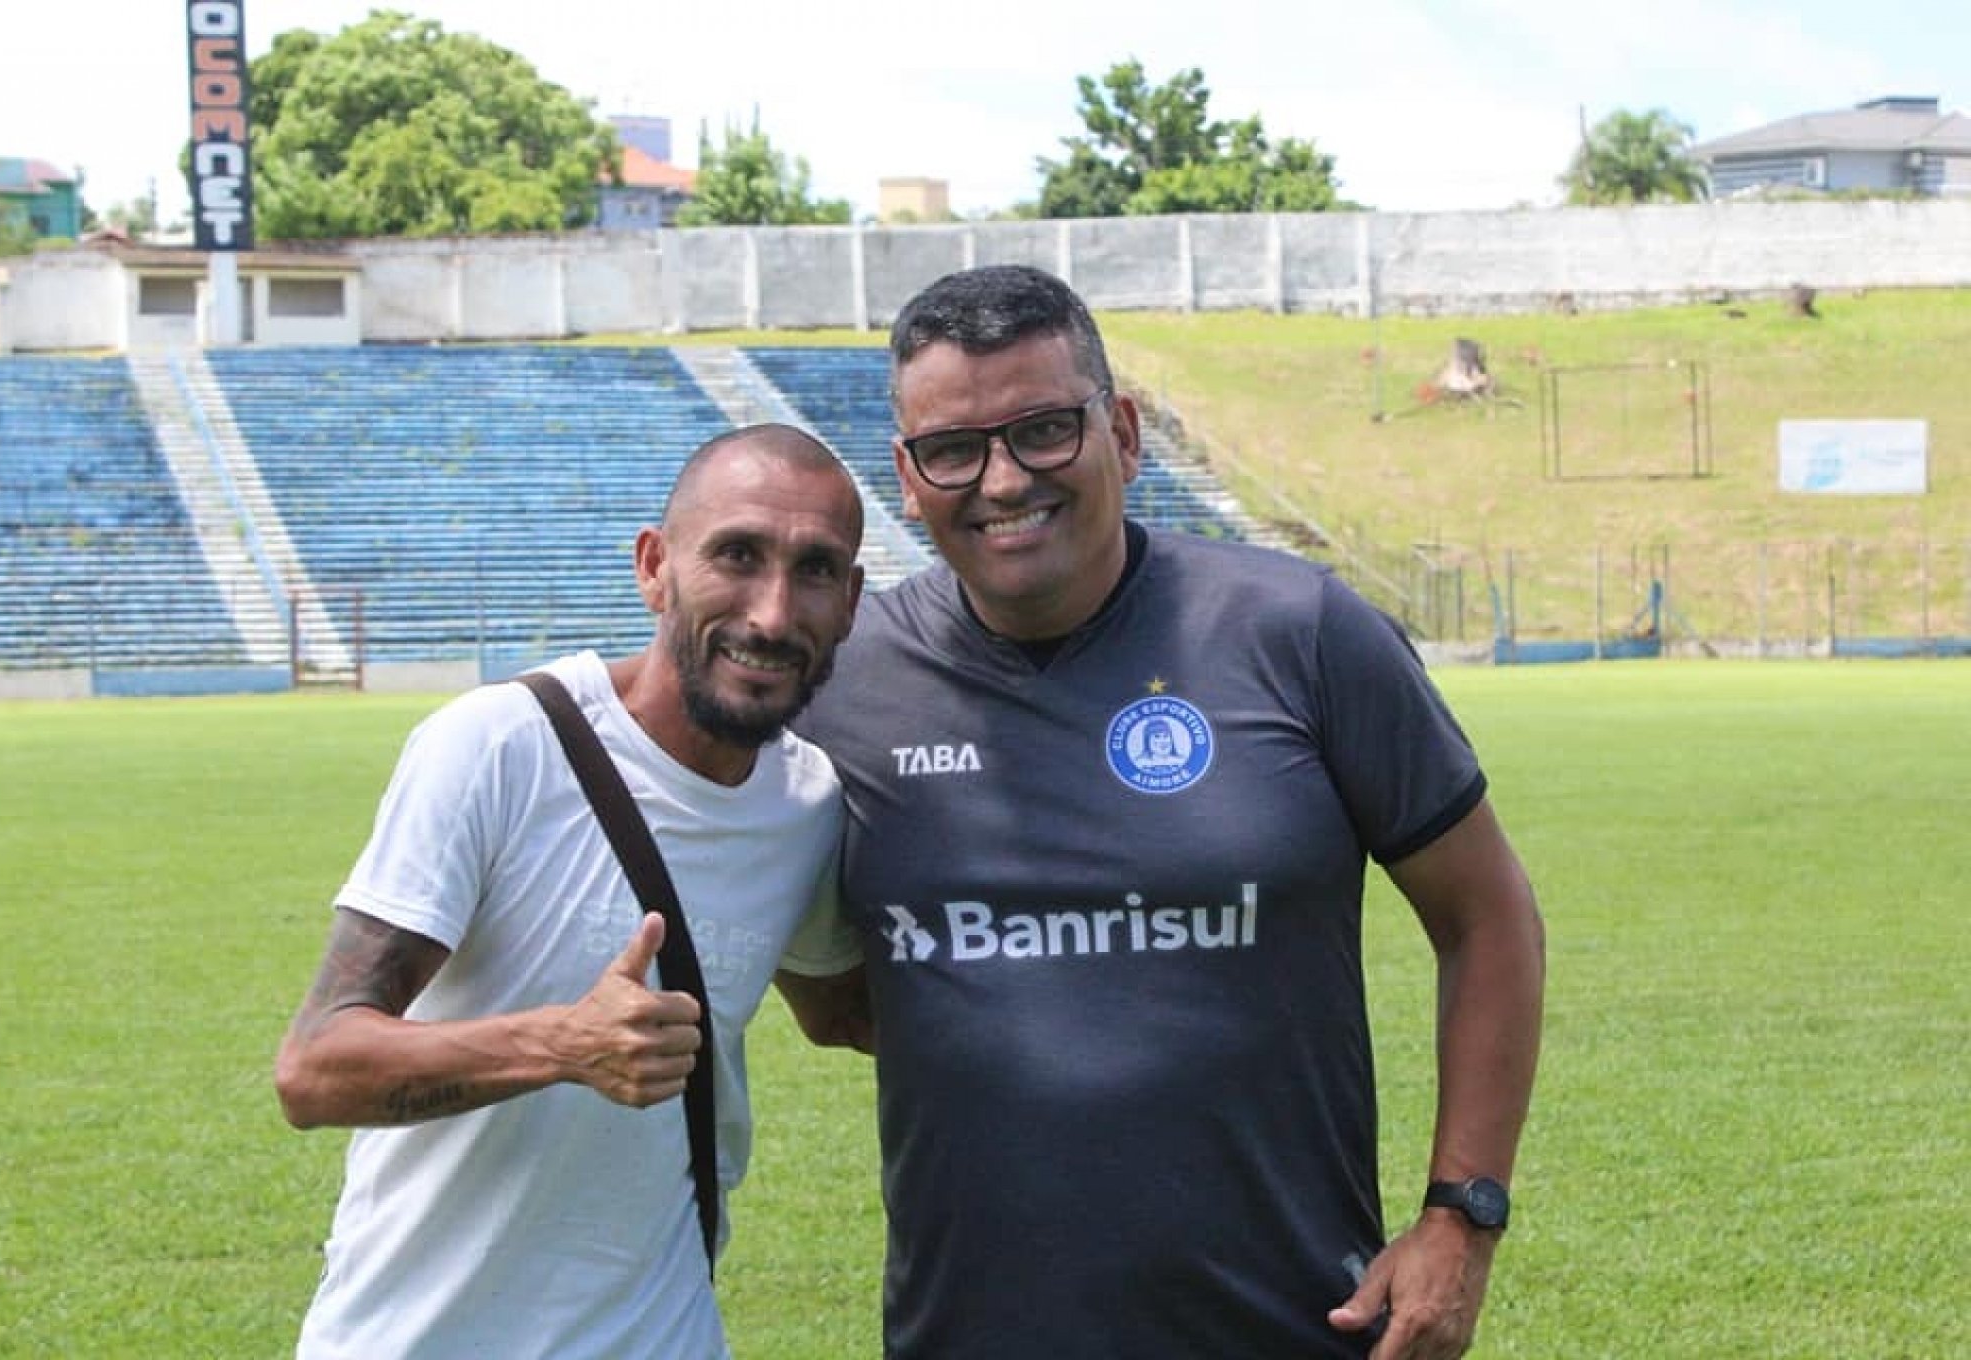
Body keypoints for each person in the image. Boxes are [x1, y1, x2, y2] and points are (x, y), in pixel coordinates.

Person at [777, 264, 1545, 1360]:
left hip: (1298, 1326)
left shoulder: (1304, 635)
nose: (1002, 480)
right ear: (907, 476)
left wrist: (1461, 1216)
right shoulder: (842, 685)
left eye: (1044, 429)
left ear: (1122, 433)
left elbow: (1490, 918)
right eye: (954, 449)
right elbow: (832, 994)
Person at [274, 424, 865, 1359]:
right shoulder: (499, 747)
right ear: (654, 565)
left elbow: (854, 1015)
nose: (771, 612)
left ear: (852, 602)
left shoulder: (809, 806)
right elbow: (314, 1070)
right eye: (737, 556)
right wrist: (558, 1043)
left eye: (816, 570)